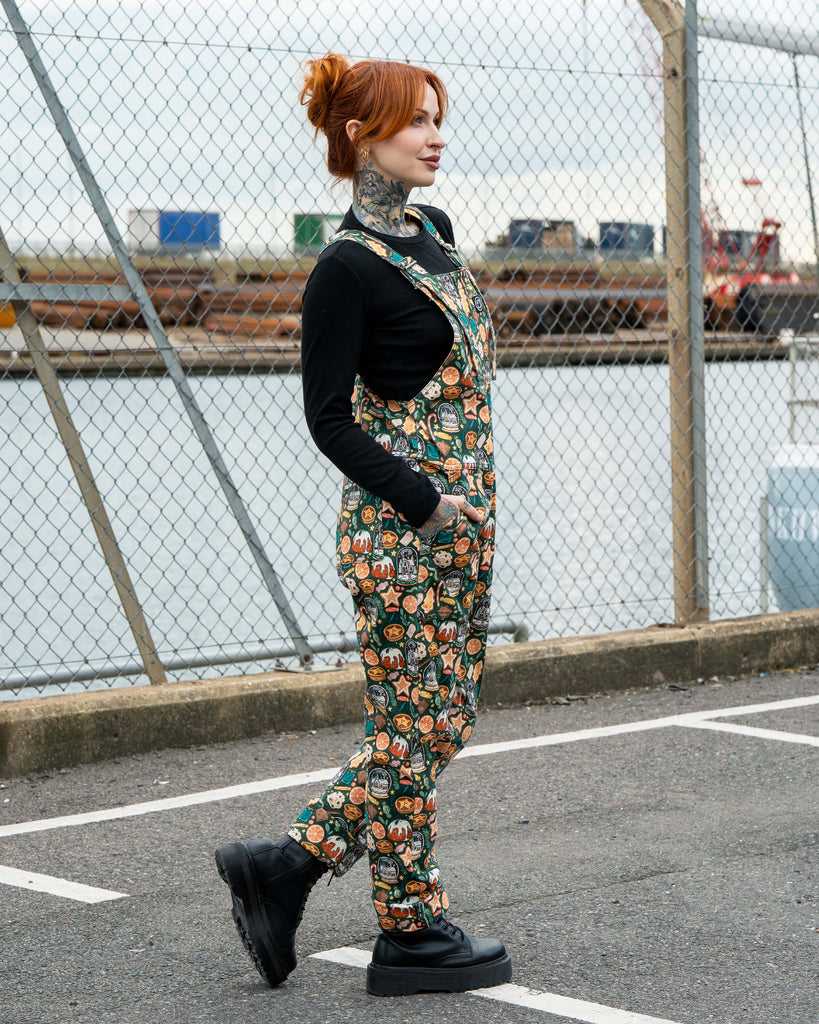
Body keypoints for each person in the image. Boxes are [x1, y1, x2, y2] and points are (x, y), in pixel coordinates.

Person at [215, 52, 510, 998]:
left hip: (464, 529)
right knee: (409, 728)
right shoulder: (342, 269)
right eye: (415, 121)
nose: (435, 135)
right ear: (359, 137)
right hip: (397, 538)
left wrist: (455, 512)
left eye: (437, 116)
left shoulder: (436, 231)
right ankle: (404, 921)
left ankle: (295, 869)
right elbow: (328, 419)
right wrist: (422, 501)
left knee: (436, 722)